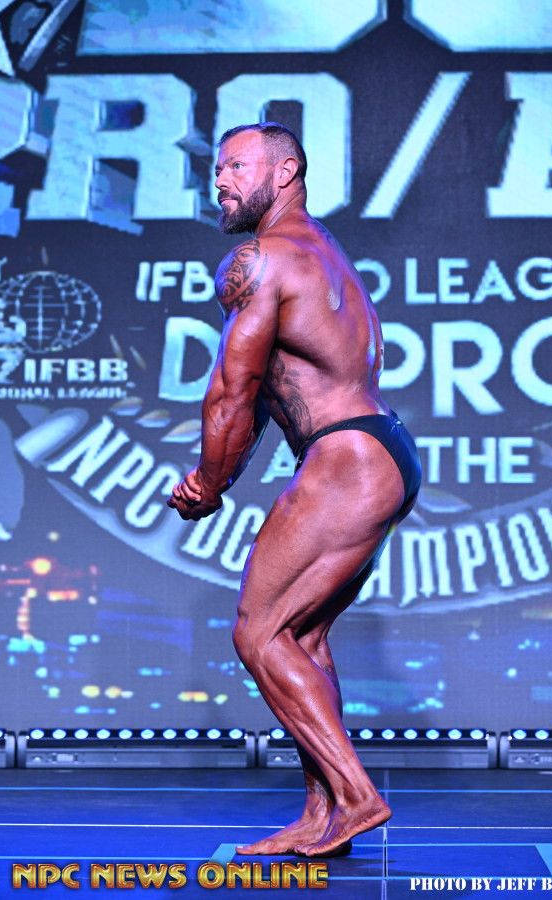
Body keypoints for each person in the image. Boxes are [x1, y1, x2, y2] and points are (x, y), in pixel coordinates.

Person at [167, 122, 421, 858]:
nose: (220, 181)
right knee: (301, 638)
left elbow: (233, 390)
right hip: (381, 450)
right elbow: (272, 393)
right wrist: (224, 475)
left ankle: (357, 796)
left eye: (237, 167)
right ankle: (323, 817)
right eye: (218, 169)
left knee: (259, 633)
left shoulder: (260, 259)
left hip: (347, 458)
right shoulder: (322, 252)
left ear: (285, 172)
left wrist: (208, 483)